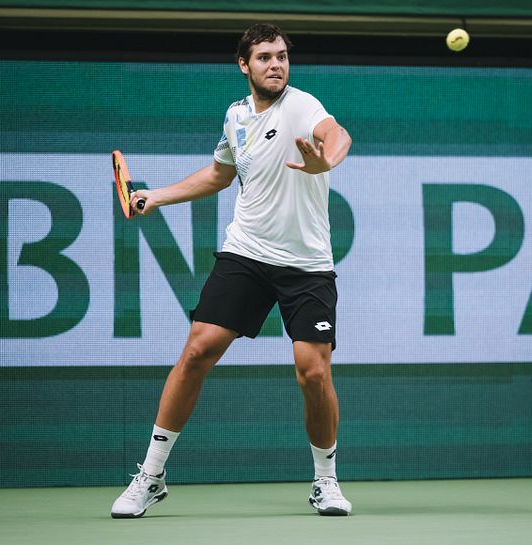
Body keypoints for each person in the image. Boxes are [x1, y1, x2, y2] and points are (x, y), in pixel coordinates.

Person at [110, 23, 353, 519]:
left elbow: (337, 134)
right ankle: (150, 475)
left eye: (282, 56)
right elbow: (221, 173)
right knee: (197, 351)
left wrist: (325, 161)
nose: (276, 65)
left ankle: (325, 480)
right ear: (244, 65)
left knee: (313, 372)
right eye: (264, 57)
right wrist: (156, 194)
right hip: (245, 253)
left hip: (306, 265)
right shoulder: (236, 116)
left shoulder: (302, 105)